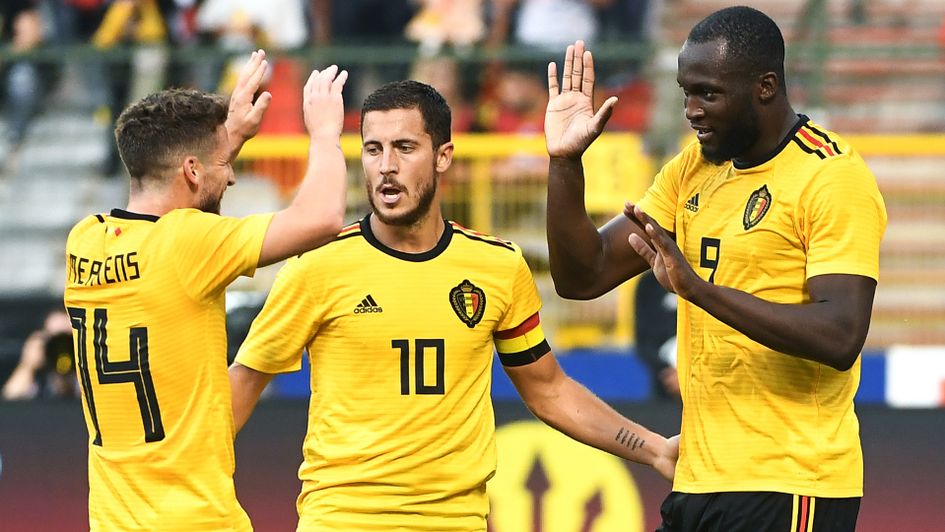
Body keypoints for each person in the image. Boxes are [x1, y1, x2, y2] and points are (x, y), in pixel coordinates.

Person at [229, 80, 679, 530]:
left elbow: (549, 390)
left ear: (443, 156)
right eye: (373, 149)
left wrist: (654, 449)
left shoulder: (496, 267)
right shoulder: (317, 267)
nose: (386, 166)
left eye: (404, 147)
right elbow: (244, 384)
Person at [543, 6, 886, 531]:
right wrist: (565, 163)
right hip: (698, 479)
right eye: (686, 93)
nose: (693, 110)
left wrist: (698, 290)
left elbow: (840, 335)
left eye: (709, 93)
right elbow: (582, 275)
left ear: (765, 87)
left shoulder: (831, 178)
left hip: (792, 485)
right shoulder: (693, 169)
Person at [62, 50, 349, 530]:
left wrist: (228, 137)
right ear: (193, 171)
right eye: (223, 163)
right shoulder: (188, 243)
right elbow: (321, 219)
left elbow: (181, 185)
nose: (232, 173)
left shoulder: (85, 240)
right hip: (196, 520)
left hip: (115, 520)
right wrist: (323, 134)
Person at [1, 309, 78, 401]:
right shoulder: (39, 381)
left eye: (68, 339)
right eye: (56, 339)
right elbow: (9, 401)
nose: (62, 347)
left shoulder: (89, 375)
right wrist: (28, 365)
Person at [633, 270, 679, 399]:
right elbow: (643, 340)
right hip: (664, 388)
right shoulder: (649, 283)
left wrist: (692, 374)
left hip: (707, 387)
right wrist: (669, 373)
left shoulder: (707, 278)